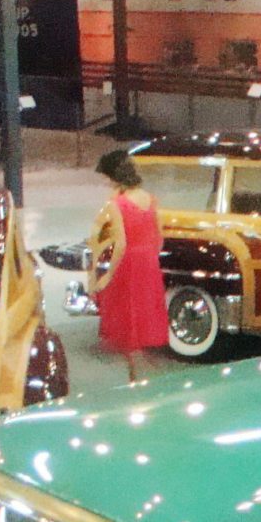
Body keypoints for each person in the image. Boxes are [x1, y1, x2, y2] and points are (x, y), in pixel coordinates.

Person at [88, 151, 168, 382]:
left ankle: (135, 376)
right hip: (149, 263)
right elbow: (159, 236)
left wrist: (108, 275)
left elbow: (121, 243)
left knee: (128, 319)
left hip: (129, 264)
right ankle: (139, 372)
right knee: (143, 315)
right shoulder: (151, 199)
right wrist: (149, 256)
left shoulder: (117, 204)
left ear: (114, 178)